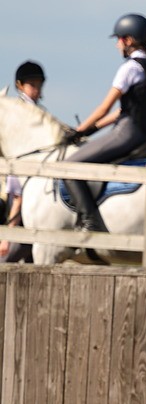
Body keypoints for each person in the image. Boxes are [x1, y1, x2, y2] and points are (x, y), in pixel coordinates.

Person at [63, 13, 146, 233]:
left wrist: (78, 131)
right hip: (142, 133)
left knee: (69, 166)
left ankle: (90, 222)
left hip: (127, 132)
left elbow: (104, 108)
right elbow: (124, 110)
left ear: (127, 40)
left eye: (118, 39)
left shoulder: (130, 67)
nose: (117, 45)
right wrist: (92, 129)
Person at [1, 61, 46, 263]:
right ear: (20, 85)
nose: (36, 90)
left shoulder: (38, 110)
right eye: (32, 85)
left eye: (38, 85)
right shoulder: (19, 109)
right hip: (20, 164)